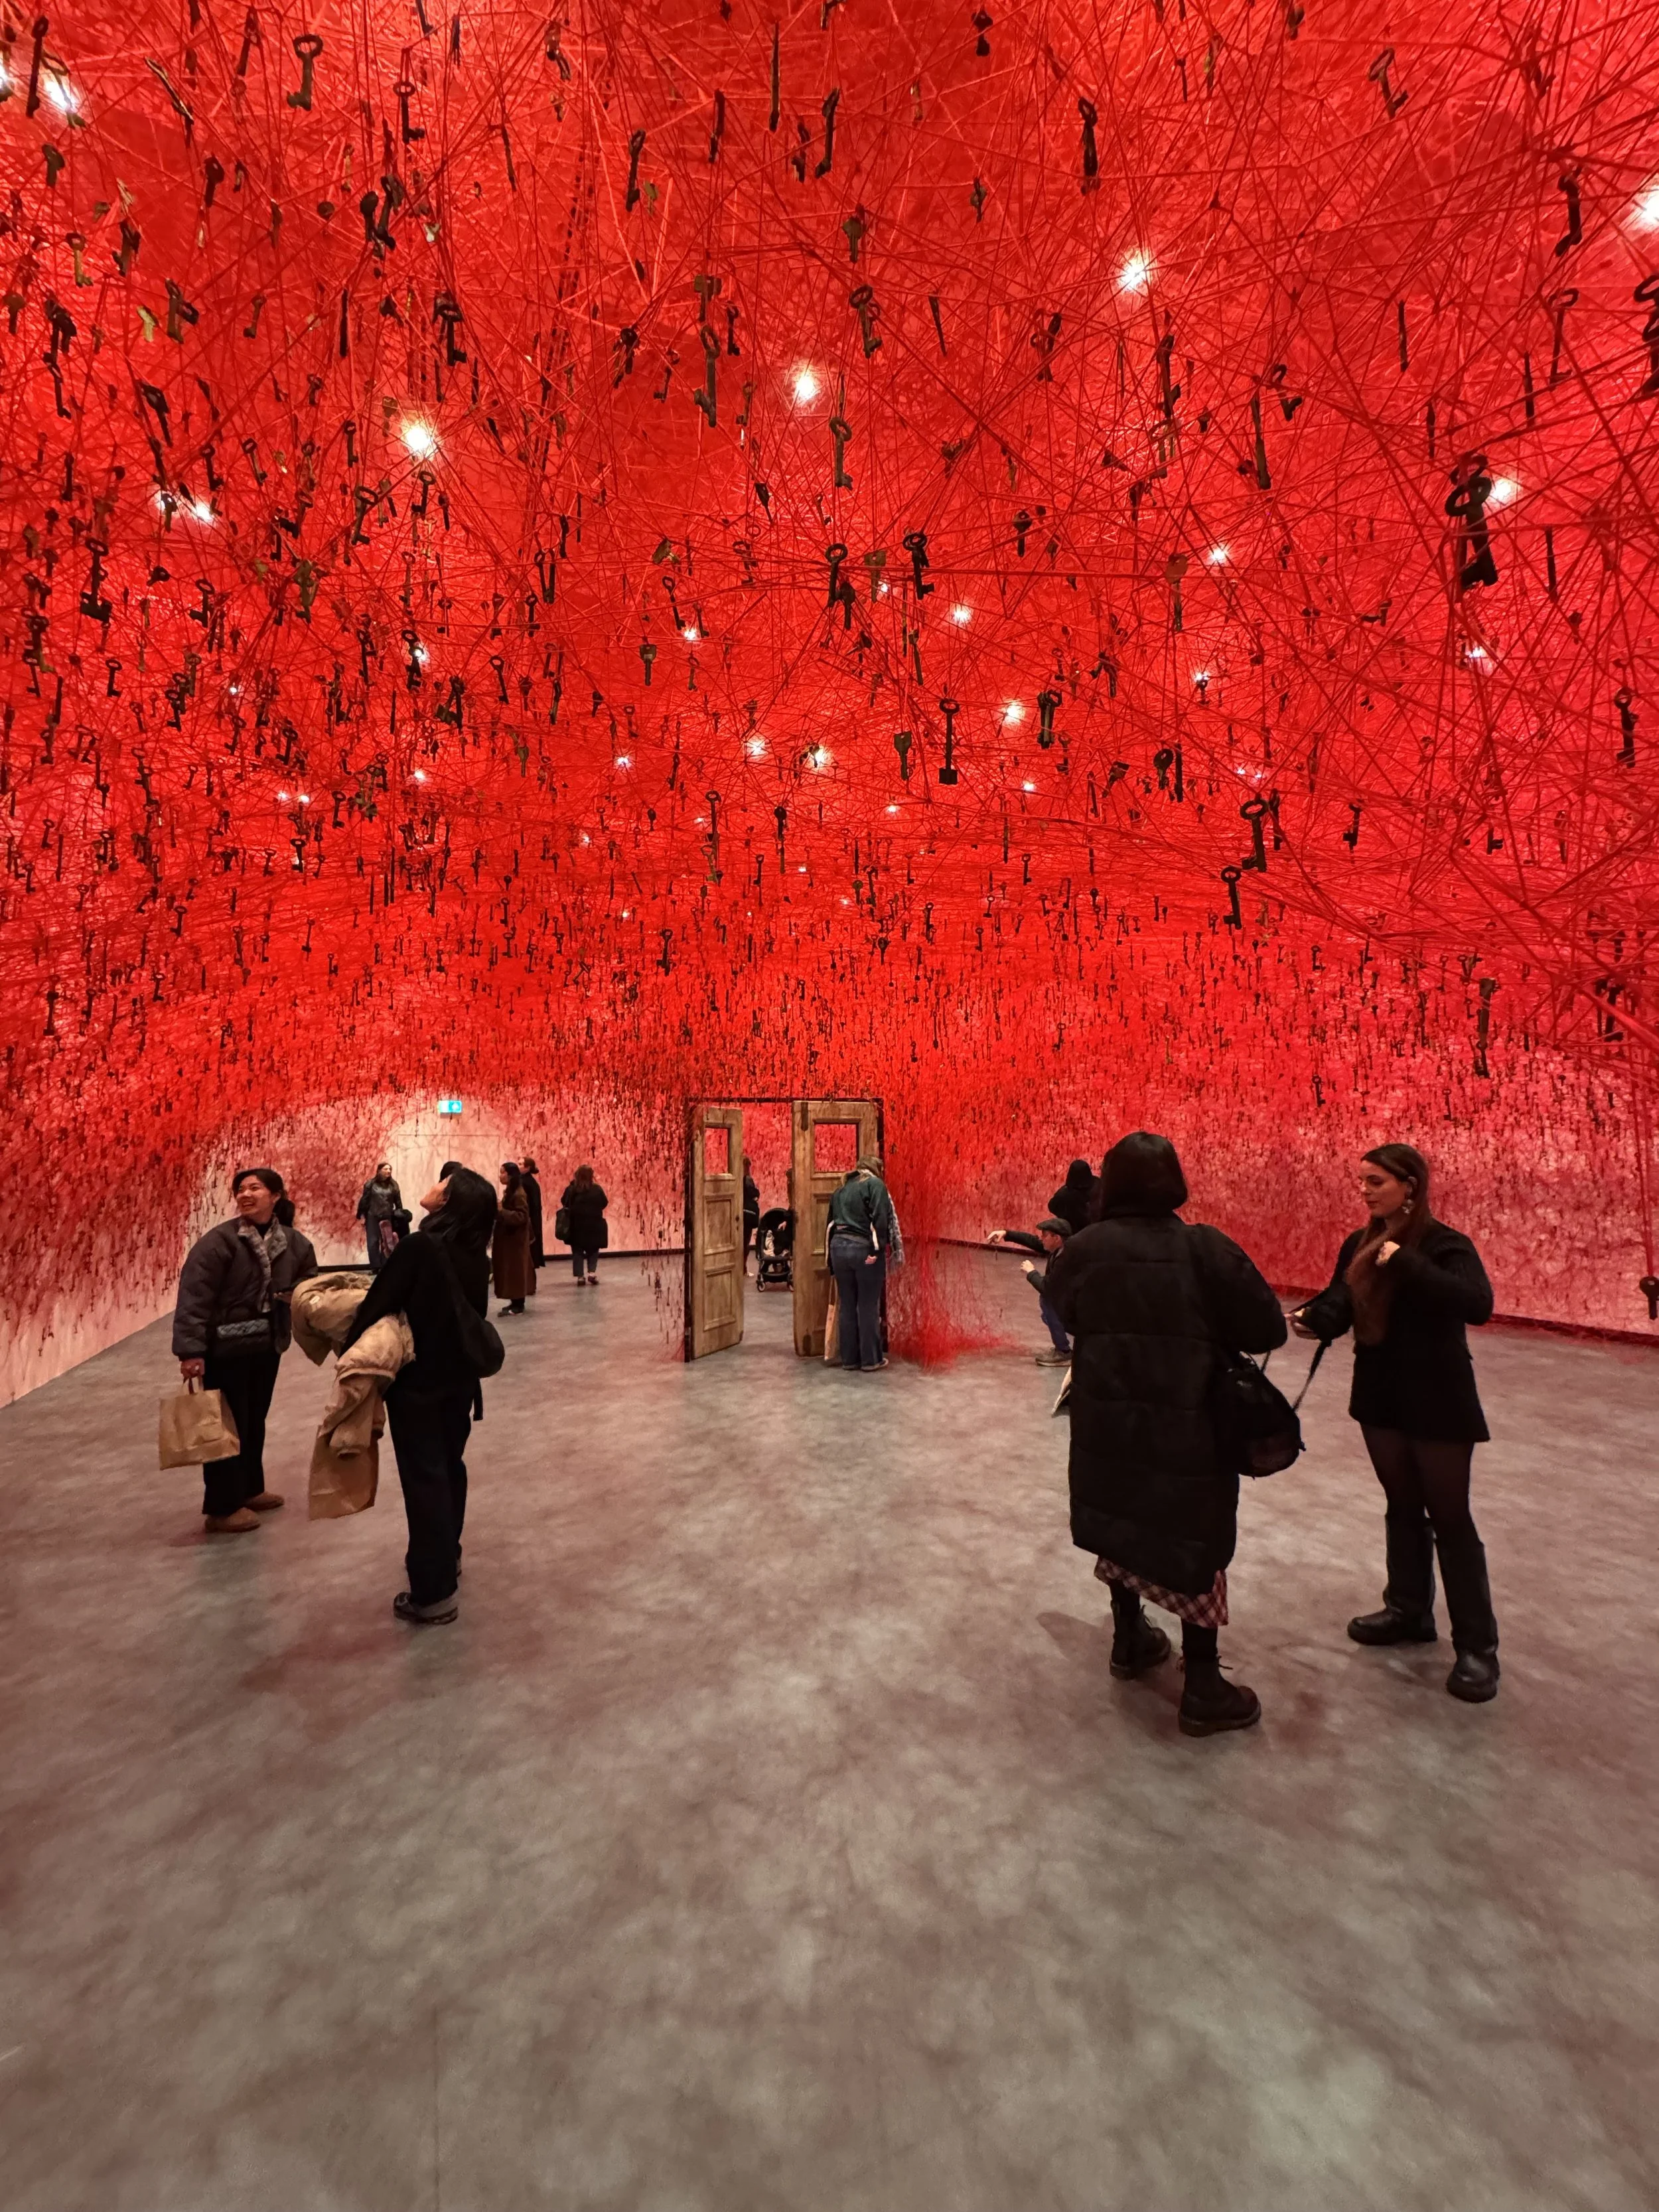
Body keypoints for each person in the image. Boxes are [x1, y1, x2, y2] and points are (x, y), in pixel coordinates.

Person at [1044, 1132, 1286, 1737]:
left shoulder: (1084, 1249)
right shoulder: (1201, 1248)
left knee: (1121, 1515)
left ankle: (1130, 1639)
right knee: (1191, 1536)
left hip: (1109, 1420)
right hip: (1188, 1424)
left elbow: (1061, 1307)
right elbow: (1265, 1327)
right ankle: (1202, 1685)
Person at [1292, 1143, 1500, 1703]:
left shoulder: (1445, 1244)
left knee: (1451, 1518)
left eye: (1377, 1181)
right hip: (1381, 1391)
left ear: (1410, 1186)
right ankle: (1409, 1610)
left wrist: (1402, 1260)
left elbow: (1477, 1303)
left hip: (1438, 1396)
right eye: (1362, 1180)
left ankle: (1478, 1648)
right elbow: (1344, 1299)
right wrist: (1318, 1319)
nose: (1366, 1190)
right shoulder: (1357, 1244)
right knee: (1402, 1505)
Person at [342, 1167, 498, 1625]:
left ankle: (433, 1592)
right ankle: (446, 1555)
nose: (434, 1186)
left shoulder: (421, 1247)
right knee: (450, 1467)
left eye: (443, 1186)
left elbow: (377, 1304)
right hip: (460, 1382)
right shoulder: (476, 1255)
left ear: (449, 1202)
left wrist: (348, 1351)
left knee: (424, 1479)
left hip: (419, 1384)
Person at [173, 1167, 319, 1534]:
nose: (245, 1194)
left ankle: (250, 1488)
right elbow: (194, 1298)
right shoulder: (218, 1242)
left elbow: (308, 1282)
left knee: (254, 1419)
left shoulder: (294, 1242)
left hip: (266, 1346)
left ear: (276, 1196)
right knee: (225, 1426)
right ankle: (222, 1506)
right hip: (225, 1350)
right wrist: (191, 1351)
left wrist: (296, 1297)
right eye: (241, 1189)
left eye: (255, 1187)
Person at [826, 1156, 898, 1372]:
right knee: (867, 1304)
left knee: (847, 1304)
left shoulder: (840, 1190)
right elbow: (881, 1221)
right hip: (865, 1255)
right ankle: (870, 1360)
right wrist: (879, 1252)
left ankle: (849, 1360)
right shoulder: (875, 1185)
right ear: (877, 1169)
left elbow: (830, 1223)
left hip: (838, 1252)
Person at [987, 1216, 1074, 1365]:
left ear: (1057, 1238)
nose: (1042, 1239)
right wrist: (1006, 1234)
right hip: (1074, 1304)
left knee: (1048, 1303)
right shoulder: (1059, 1249)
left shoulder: (1066, 1259)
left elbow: (1047, 1289)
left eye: (1045, 1235)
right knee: (1047, 1315)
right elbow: (1032, 1241)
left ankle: (1064, 1352)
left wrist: (1031, 1272)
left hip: (1081, 1308)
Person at [494, 1162, 534, 1314]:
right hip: (510, 1239)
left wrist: (501, 1211)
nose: (500, 1175)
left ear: (510, 1175)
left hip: (516, 1241)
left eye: (503, 1173)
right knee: (510, 1271)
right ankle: (514, 1301)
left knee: (516, 1271)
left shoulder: (519, 1194)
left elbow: (522, 1216)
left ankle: (519, 1304)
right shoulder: (511, 1192)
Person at [560, 1163, 608, 1285]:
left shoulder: (571, 1190)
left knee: (577, 1251)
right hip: (594, 1224)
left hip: (576, 1225)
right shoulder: (597, 1189)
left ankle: (580, 1277)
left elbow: (564, 1202)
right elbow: (604, 1203)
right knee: (593, 1249)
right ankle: (592, 1273)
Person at [356, 1161, 403, 1272]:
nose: (388, 1171)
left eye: (390, 1169)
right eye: (386, 1169)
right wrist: (361, 1215)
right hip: (372, 1215)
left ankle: (385, 1265)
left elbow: (398, 1201)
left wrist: (400, 1213)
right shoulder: (370, 1184)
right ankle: (375, 1266)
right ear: (379, 1171)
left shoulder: (394, 1185)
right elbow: (365, 1200)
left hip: (387, 1216)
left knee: (387, 1241)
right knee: (373, 1241)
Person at [1048, 1158, 1100, 1233]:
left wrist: (1066, 1218)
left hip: (1074, 1234)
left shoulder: (1064, 1194)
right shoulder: (1099, 1185)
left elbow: (1052, 1206)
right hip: (1098, 1231)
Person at [521, 1153, 545, 1270]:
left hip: (529, 1220)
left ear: (528, 1168)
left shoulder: (525, 1183)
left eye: (521, 1164)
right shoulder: (530, 1182)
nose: (518, 1166)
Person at [742, 1159, 761, 1274]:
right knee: (745, 1242)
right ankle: (743, 1267)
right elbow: (753, 1193)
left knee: (740, 1242)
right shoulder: (747, 1179)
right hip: (747, 1214)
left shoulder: (736, 1179)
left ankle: (740, 1268)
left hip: (738, 1213)